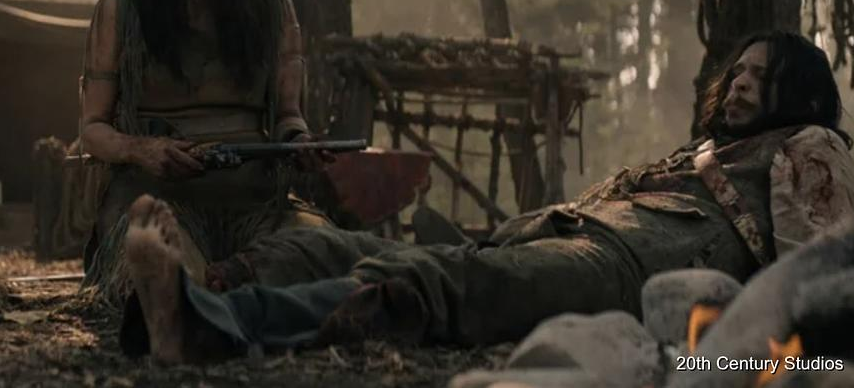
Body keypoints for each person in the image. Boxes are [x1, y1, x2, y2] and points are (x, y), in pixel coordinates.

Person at [117, 30, 854, 363]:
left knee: (433, 279)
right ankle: (197, 293)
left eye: (763, 75)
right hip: (570, 234)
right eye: (740, 71)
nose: (742, 83)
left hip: (627, 266)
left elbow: (812, 272)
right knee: (334, 244)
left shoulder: (812, 144)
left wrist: (730, 356)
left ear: (798, 92)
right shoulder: (708, 150)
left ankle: (215, 326)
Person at [78, 0, 332, 309]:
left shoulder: (273, 9)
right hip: (156, 200)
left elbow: (288, 115)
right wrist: (142, 149)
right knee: (168, 274)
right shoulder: (121, 11)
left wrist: (299, 142)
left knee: (322, 254)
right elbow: (92, 130)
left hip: (256, 204)